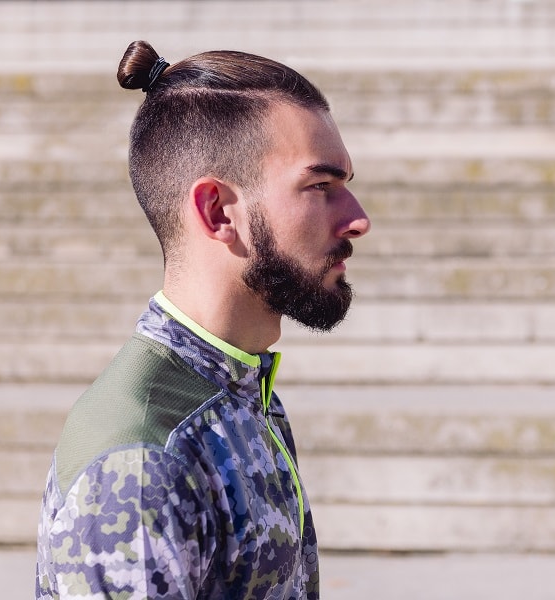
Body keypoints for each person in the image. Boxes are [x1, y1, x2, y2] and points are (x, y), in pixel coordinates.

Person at [35, 40, 370, 599]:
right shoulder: (142, 459)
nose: (357, 220)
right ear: (218, 211)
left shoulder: (237, 389)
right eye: (320, 187)